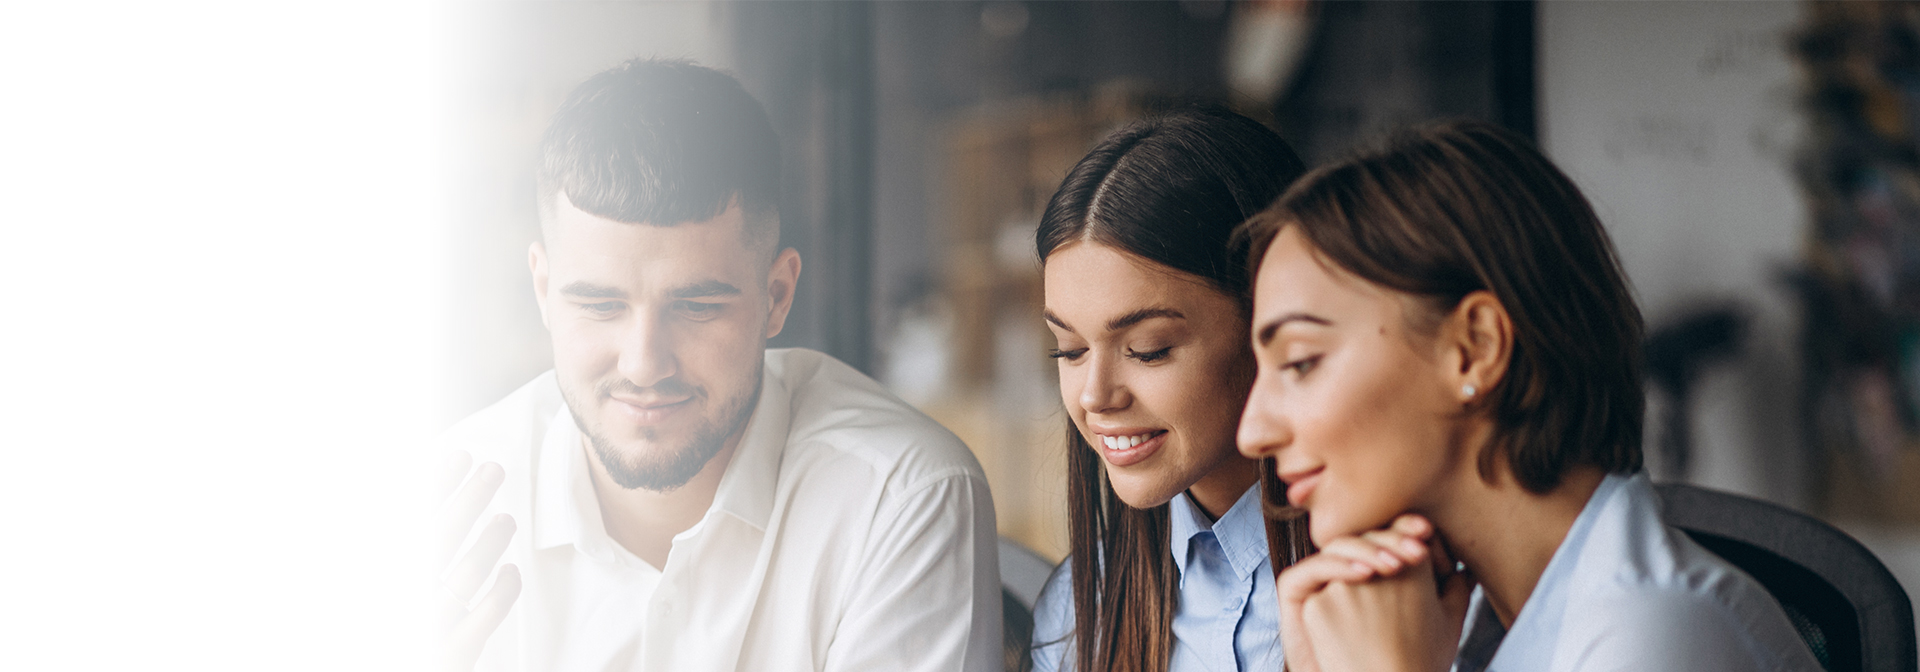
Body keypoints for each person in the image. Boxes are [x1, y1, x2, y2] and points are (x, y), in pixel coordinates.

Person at [437, 58, 1001, 672]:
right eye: (600, 305)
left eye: (697, 306)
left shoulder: (897, 496)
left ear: (777, 296)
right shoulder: (444, 507)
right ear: (544, 292)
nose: (644, 363)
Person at [1234, 120, 1821, 672]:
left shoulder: (1656, 634)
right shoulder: (1452, 627)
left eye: (1300, 362)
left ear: (1475, 347)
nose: (1253, 431)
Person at [1027, 107, 1310, 672]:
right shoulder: (1080, 612)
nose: (1095, 396)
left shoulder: (1412, 591)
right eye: (1070, 350)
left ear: (1271, 326)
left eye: (1149, 349)